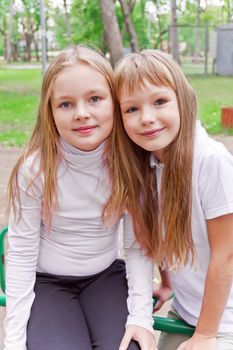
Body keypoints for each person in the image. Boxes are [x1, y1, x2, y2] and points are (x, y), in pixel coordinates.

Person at [4, 45, 156, 350]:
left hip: (105, 276)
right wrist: (14, 342)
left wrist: (141, 317)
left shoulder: (129, 163)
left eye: (95, 99)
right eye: (66, 104)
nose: (82, 113)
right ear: (50, 111)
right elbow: (20, 254)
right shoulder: (36, 169)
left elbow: (137, 246)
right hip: (47, 283)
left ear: (114, 103)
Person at [104, 49, 233, 350]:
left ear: (182, 100)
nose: (147, 118)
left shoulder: (210, 161)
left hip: (223, 320)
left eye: (160, 102)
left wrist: (205, 335)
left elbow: (226, 256)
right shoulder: (149, 162)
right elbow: (162, 231)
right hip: (187, 311)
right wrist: (167, 284)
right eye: (131, 109)